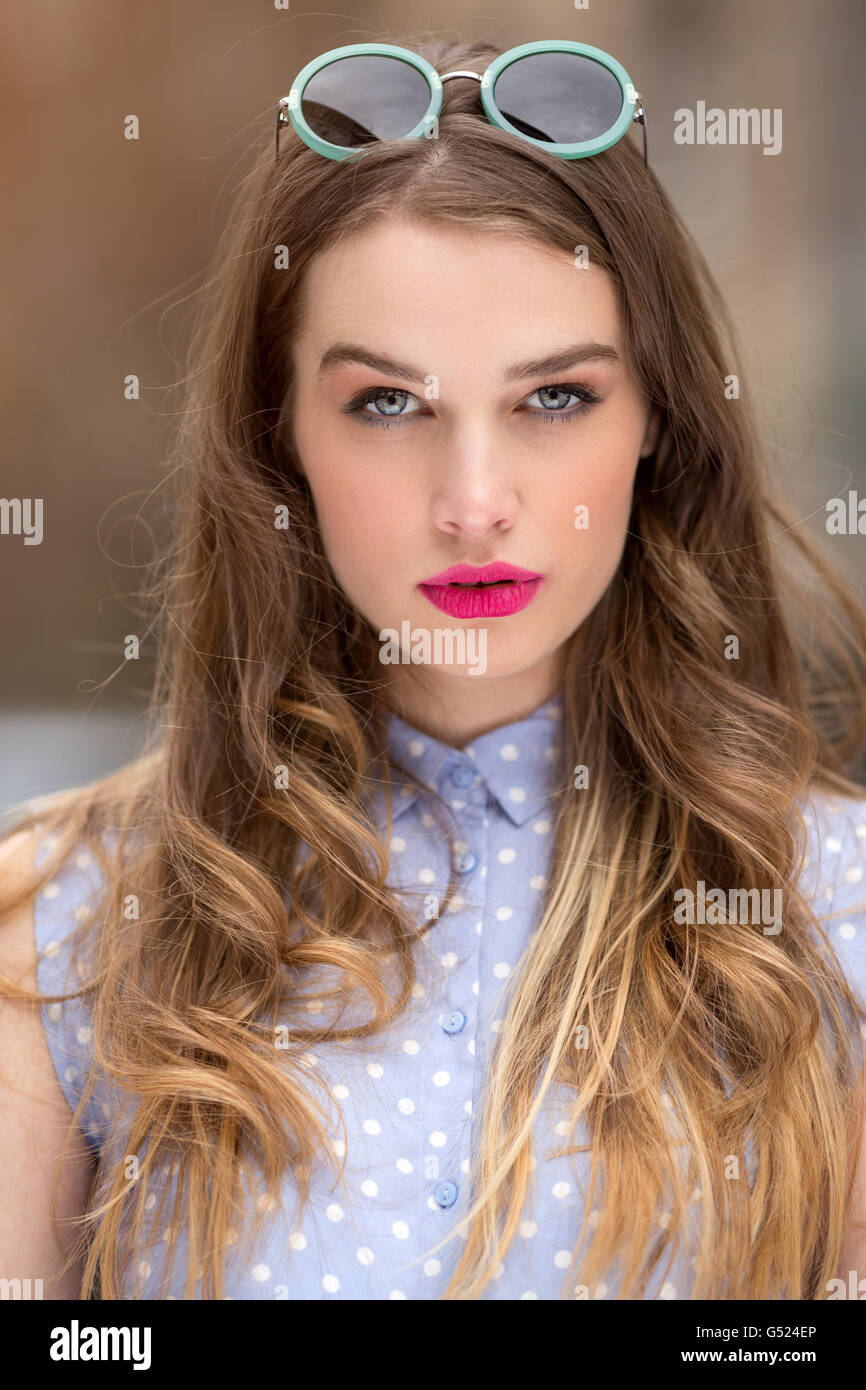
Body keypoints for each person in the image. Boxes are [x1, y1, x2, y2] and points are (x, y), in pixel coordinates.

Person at [2, 32, 866, 1302]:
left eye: (554, 397)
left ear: (655, 421)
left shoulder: (836, 918)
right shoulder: (59, 926)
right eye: (388, 404)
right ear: (277, 433)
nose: (473, 503)